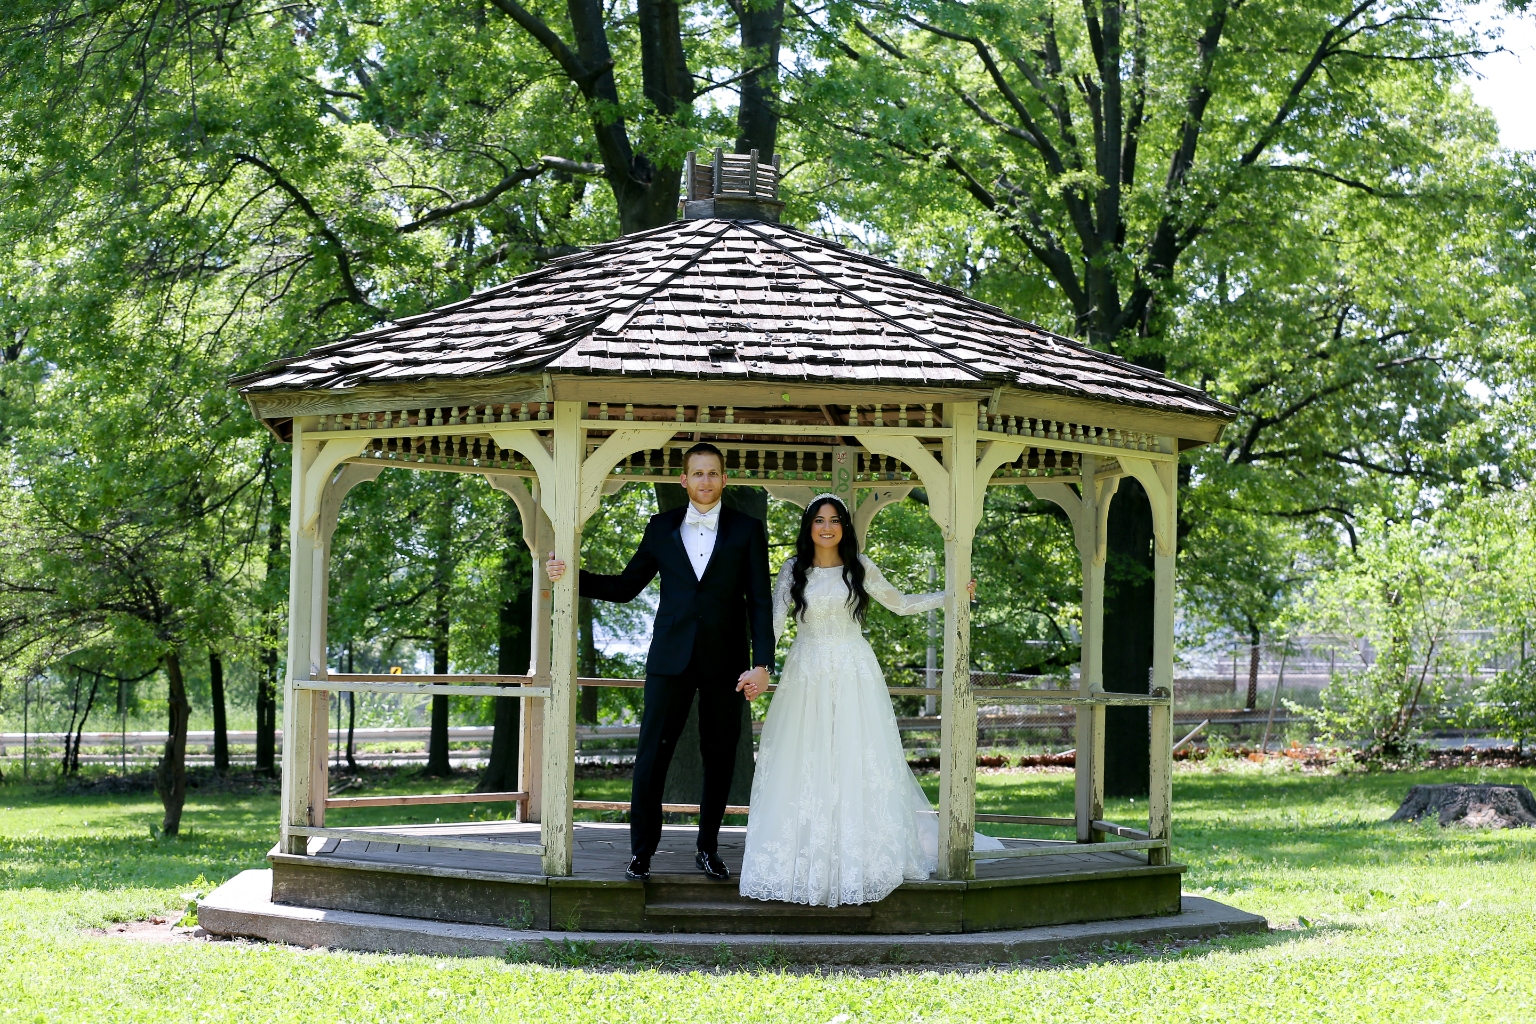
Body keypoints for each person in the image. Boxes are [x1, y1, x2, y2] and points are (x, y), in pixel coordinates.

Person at [737, 494, 1001, 907]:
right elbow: (772, 623)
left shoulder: (859, 567)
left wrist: (951, 596)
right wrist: (759, 667)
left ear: (844, 526)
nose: (827, 527)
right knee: (804, 758)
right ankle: (805, 857)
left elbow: (901, 604)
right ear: (809, 527)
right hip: (806, 673)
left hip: (853, 672)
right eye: (819, 520)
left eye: (834, 520)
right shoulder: (793, 570)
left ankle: (857, 857)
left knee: (855, 757)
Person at [545, 442, 772, 882]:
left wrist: (762, 664)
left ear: (724, 479)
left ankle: (708, 849)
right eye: (697, 473)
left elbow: (760, 602)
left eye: (713, 472)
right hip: (669, 657)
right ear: (683, 480)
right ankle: (641, 853)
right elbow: (626, 587)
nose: (705, 480)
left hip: (728, 662)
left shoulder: (748, 529)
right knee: (651, 757)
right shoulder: (660, 527)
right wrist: (571, 576)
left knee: (720, 758)